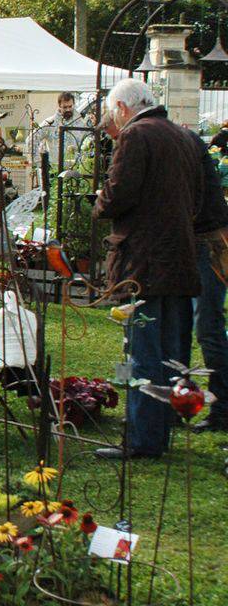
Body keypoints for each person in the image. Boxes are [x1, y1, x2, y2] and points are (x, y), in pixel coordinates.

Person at [93, 79, 204, 460]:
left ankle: (143, 438)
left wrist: (100, 202)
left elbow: (119, 193)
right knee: (172, 350)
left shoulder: (136, 136)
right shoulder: (183, 137)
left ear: (122, 109)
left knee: (142, 350)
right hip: (178, 258)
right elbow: (201, 197)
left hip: (143, 261)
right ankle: (165, 429)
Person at [188, 128, 228, 433]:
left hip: (211, 243)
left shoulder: (190, 157)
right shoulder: (195, 152)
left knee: (209, 327)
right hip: (207, 241)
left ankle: (223, 410)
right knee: (206, 325)